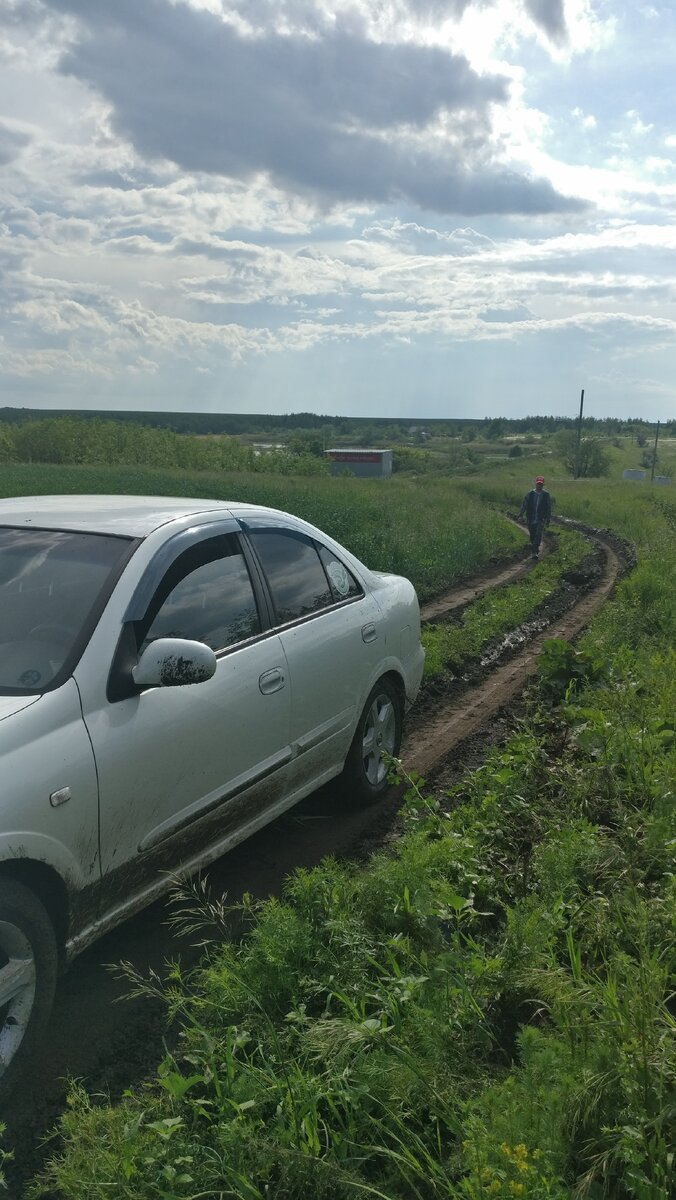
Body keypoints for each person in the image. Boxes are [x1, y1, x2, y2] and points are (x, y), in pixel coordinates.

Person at [517, 475, 552, 560]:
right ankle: (534, 549)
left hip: (541, 518)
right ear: (536, 484)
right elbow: (524, 505)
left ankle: (535, 551)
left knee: (538, 534)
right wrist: (520, 514)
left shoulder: (546, 495)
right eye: (538, 484)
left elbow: (548, 507)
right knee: (532, 534)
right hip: (531, 517)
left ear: (543, 485)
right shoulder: (530, 494)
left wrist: (548, 519)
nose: (539, 485)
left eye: (541, 484)